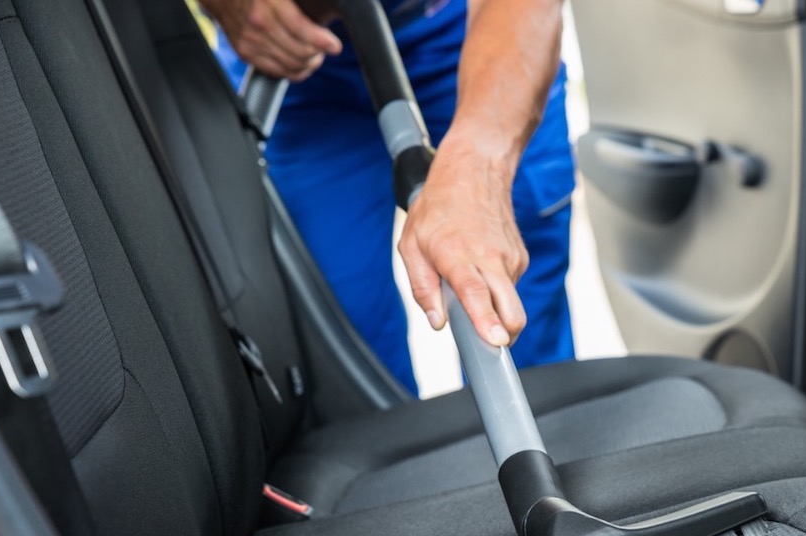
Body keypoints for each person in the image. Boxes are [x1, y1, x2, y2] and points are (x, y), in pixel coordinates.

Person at [202, 0, 576, 395]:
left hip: (461, 28)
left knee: (516, 318)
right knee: (342, 342)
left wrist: (480, 165)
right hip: (293, 55)